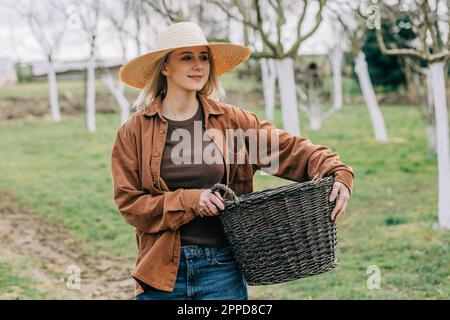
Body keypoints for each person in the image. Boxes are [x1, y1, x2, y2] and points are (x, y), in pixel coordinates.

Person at [111, 21, 354, 300]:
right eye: (186, 57)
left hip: (222, 269)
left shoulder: (231, 122)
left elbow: (290, 150)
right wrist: (191, 201)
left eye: (204, 57)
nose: (199, 65)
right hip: (161, 273)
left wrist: (337, 171)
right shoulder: (134, 132)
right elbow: (131, 205)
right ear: (165, 67)